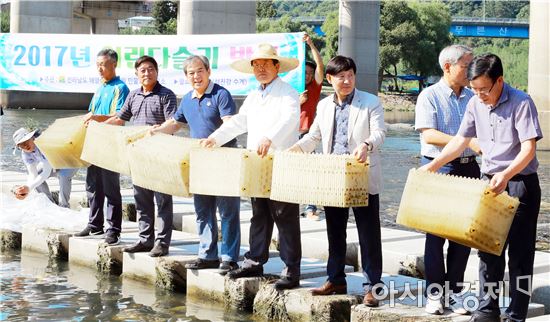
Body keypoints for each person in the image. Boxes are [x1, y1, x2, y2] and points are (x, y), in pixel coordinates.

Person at [420, 54, 542, 322]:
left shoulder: (521, 102)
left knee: (520, 254)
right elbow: (461, 140)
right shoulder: (475, 103)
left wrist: (507, 175)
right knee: (488, 250)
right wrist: (433, 165)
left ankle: (516, 314)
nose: (479, 95)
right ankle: (487, 310)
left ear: (500, 81)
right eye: (474, 89)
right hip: (490, 184)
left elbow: (528, 149)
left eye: (484, 90)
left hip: (520, 184)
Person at [201, 43, 301, 290]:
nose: (261, 69)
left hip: (281, 161)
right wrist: (216, 137)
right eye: (257, 65)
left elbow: (291, 119)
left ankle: (291, 270)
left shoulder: (287, 92)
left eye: (267, 64)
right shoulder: (255, 95)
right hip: (257, 162)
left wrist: (271, 138)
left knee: (284, 215)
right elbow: (239, 122)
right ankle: (255, 260)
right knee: (259, 214)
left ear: (277, 66)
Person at [288, 55, 386, 307]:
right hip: (333, 176)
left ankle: (373, 287)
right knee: (335, 231)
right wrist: (294, 150)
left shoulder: (370, 102)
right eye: (341, 76)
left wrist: (366, 145)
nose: (347, 80)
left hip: (361, 174)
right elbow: (313, 137)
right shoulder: (324, 106)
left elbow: (380, 133)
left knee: (369, 234)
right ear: (330, 79)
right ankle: (336, 279)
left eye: (350, 75)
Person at [151, 55, 241, 274]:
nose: (196, 76)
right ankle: (207, 254)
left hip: (224, 159)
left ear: (208, 71)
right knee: (202, 210)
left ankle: (229, 258)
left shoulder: (221, 94)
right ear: (186, 77)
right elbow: (175, 123)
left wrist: (214, 139)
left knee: (228, 211)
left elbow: (231, 124)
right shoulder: (188, 99)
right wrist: (156, 130)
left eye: (200, 71)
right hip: (199, 162)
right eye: (191, 73)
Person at [414, 45, 481, 315]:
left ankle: (454, 293)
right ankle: (434, 294)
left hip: (469, 167)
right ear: (448, 67)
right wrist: (467, 140)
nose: (471, 70)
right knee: (436, 234)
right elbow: (429, 135)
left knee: (463, 237)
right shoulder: (429, 96)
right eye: (467, 65)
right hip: (437, 168)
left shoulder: (473, 96)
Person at [105, 55, 177, 257]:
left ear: (157, 71)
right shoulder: (134, 95)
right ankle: (146, 240)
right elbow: (120, 119)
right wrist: (97, 126)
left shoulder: (166, 95)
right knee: (141, 201)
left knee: (162, 201)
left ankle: (162, 243)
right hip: (139, 156)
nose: (147, 73)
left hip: (161, 156)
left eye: (151, 69)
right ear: (137, 74)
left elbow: (173, 123)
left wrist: (158, 130)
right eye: (143, 70)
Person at [75, 49, 129, 246]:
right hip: (94, 141)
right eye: (98, 64)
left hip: (110, 143)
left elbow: (120, 118)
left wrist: (96, 118)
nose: (100, 68)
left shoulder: (120, 88)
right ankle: (94, 224)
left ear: (114, 65)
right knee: (92, 185)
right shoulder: (100, 87)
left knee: (111, 188)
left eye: (104, 65)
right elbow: (91, 112)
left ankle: (113, 229)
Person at [12, 128, 77, 208]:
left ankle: (64, 206)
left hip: (69, 159)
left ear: (32, 138)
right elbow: (33, 174)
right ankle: (49, 204)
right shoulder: (25, 153)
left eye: (26, 141)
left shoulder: (43, 145)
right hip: (52, 163)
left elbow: (46, 172)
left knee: (63, 175)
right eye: (21, 145)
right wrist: (26, 187)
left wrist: (29, 188)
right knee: (37, 176)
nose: (25, 146)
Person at [300, 33, 325, 221]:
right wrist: (296, 102)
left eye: (310, 73)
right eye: (305, 72)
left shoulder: (314, 87)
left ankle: (310, 208)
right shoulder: (291, 87)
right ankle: (292, 207)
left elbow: (321, 67)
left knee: (311, 173)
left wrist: (311, 45)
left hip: (308, 135)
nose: (308, 75)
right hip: (289, 135)